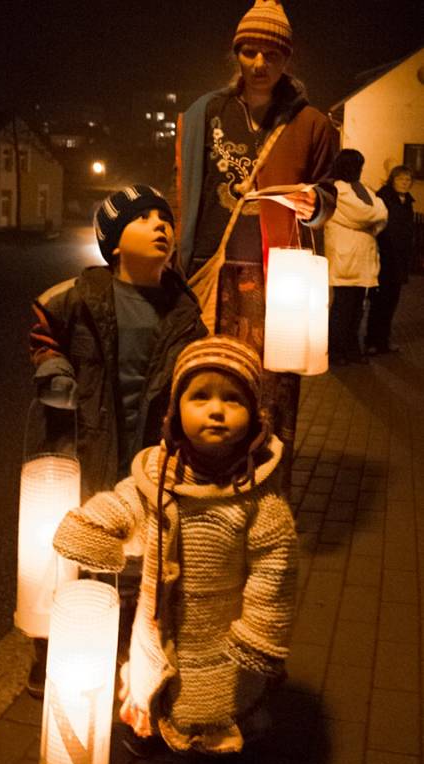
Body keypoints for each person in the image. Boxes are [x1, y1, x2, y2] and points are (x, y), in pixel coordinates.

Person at [53, 335, 298, 764]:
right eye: (199, 396)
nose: (216, 410)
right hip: (158, 617)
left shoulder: (259, 499)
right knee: (153, 678)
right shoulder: (158, 475)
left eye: (232, 399)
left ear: (256, 418)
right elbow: (128, 501)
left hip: (220, 627)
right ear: (175, 410)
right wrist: (99, 524)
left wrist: (259, 628)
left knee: (213, 697)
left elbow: (275, 564)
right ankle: (152, 728)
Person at [26, 185, 207, 698]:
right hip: (85, 445)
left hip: (149, 452)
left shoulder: (184, 310)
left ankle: (125, 650)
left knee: (135, 555)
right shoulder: (78, 295)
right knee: (72, 550)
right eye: (143, 217)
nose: (161, 226)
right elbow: (43, 327)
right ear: (112, 240)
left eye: (166, 218)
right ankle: (50, 652)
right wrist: (54, 369)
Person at [175, 0, 337, 494]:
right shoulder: (206, 113)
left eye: (272, 54)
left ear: (288, 59)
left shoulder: (313, 124)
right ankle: (208, 491)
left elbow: (329, 195)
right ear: (236, 55)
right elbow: (187, 192)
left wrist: (314, 204)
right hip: (212, 274)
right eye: (249, 52)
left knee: (273, 392)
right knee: (211, 387)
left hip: (278, 279)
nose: (259, 64)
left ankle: (268, 495)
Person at [324, 149, 388, 365]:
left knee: (356, 310)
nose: (360, 170)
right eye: (358, 165)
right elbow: (368, 214)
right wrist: (374, 217)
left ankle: (351, 350)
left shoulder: (362, 189)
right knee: (342, 309)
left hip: (361, 258)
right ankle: (335, 352)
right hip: (347, 257)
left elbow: (381, 214)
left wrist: (375, 217)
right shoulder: (338, 189)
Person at [365, 165, 415, 355]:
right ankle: (371, 341)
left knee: (391, 302)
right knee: (379, 302)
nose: (405, 183)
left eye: (408, 180)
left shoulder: (406, 202)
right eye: (401, 179)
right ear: (392, 180)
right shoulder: (384, 198)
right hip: (384, 258)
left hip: (399, 261)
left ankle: (383, 341)